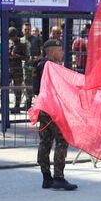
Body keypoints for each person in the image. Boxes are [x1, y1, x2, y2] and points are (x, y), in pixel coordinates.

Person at [34, 39, 77, 191]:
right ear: (52, 51)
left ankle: (46, 178)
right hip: (53, 109)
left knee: (45, 142)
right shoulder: (49, 66)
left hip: (45, 108)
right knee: (62, 140)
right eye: (60, 50)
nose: (62, 52)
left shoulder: (41, 65)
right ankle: (58, 177)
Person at [7, 27, 27, 114]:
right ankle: (5, 105)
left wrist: (16, 56)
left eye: (12, 37)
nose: (11, 39)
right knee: (5, 87)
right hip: (8, 68)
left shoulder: (22, 44)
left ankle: (17, 106)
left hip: (17, 68)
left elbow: (26, 57)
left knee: (18, 88)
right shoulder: (8, 42)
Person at [21, 23, 41, 109]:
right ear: (22, 30)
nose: (27, 31)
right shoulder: (21, 40)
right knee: (26, 83)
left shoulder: (36, 40)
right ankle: (28, 102)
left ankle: (38, 102)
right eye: (25, 29)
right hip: (25, 65)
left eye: (28, 29)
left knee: (36, 82)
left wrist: (38, 58)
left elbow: (41, 51)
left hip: (35, 65)